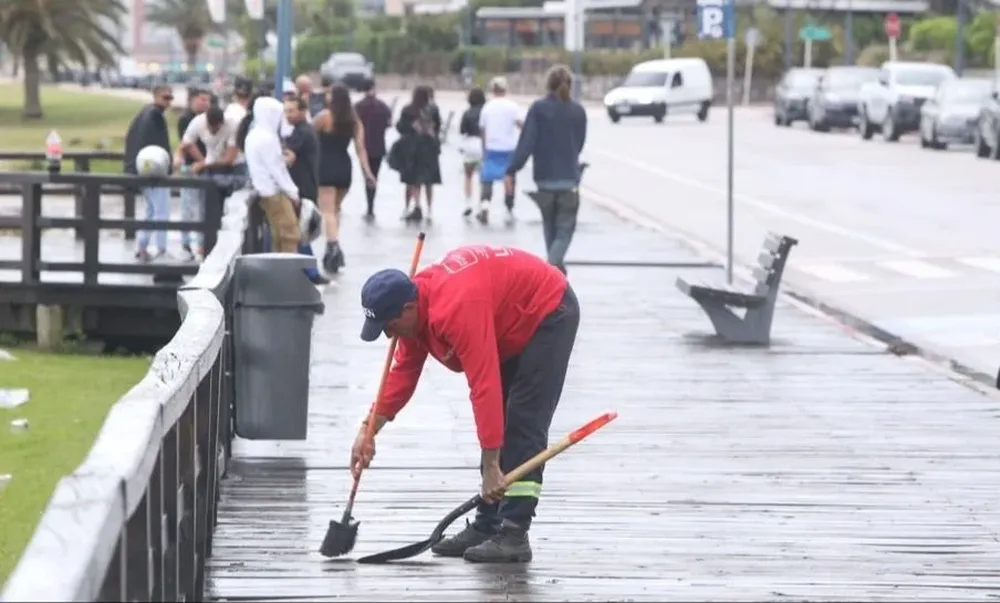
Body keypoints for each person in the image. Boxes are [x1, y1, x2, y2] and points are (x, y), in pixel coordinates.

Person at [349, 244, 581, 564]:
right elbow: (402, 375)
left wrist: (490, 466)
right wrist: (368, 429)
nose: (389, 336)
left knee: (521, 421)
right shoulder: (417, 312)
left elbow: (483, 385)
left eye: (389, 326)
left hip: (547, 311)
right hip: (507, 321)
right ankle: (488, 524)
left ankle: (514, 533)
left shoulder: (456, 309)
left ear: (408, 308)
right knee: (499, 422)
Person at [506, 65, 587, 276]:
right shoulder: (578, 111)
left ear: (548, 85)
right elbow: (579, 143)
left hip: (544, 179)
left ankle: (553, 270)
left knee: (550, 228)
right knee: (564, 230)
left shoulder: (538, 109)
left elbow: (527, 143)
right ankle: (553, 268)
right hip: (569, 179)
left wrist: (512, 169)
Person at [313, 83, 377, 274]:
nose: (326, 97)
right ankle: (332, 244)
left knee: (328, 212)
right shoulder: (355, 122)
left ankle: (333, 246)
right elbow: (361, 150)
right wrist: (368, 173)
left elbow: (309, 138)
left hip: (324, 167)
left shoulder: (324, 117)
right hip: (344, 168)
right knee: (336, 210)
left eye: (329, 94)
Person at [236, 95, 301, 254]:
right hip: (273, 192)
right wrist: (293, 192)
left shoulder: (254, 135)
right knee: (290, 234)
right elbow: (277, 170)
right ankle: (287, 269)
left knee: (278, 234)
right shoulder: (267, 138)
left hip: (263, 189)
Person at [282, 95, 330, 286]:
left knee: (300, 231)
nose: (288, 115)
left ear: (302, 111)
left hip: (302, 188)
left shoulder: (302, 132)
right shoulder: (301, 130)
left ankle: (310, 271)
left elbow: (289, 155)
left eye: (292, 111)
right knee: (300, 231)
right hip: (305, 186)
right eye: (286, 111)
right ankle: (308, 270)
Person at [123, 83, 174, 262]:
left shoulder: (144, 114)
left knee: (151, 211)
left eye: (171, 98)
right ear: (155, 96)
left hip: (142, 170)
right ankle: (161, 249)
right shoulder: (154, 116)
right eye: (165, 97)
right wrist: (165, 169)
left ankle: (142, 246)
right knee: (161, 211)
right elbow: (159, 147)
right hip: (152, 172)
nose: (169, 102)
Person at [477, 76, 523, 226]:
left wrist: (484, 148)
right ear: (505, 89)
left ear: (493, 90)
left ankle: (485, 204)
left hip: (492, 147)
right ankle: (509, 206)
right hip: (508, 148)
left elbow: (483, 130)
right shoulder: (512, 106)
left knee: (487, 178)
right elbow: (520, 124)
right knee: (509, 177)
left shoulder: (487, 107)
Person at [394, 85, 441, 222]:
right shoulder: (433, 110)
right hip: (429, 148)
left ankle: (414, 205)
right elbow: (438, 127)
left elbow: (400, 127)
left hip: (412, 148)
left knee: (412, 180)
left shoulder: (408, 109)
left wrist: (411, 128)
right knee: (429, 181)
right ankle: (429, 209)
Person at [176, 88, 211, 261]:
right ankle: (185, 244)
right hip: (190, 167)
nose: (205, 103)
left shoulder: (208, 119)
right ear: (192, 100)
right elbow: (188, 144)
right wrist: (204, 161)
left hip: (206, 168)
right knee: (188, 207)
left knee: (204, 209)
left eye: (208, 100)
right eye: (202, 99)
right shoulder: (185, 119)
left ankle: (202, 245)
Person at [354, 78, 392, 222]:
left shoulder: (358, 106)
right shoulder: (382, 106)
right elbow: (389, 123)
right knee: (375, 175)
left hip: (363, 146)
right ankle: (371, 206)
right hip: (379, 146)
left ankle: (369, 205)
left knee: (366, 176)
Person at [458, 87, 486, 218]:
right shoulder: (486, 111)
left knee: (468, 176)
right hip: (482, 145)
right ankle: (482, 205)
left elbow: (462, 130)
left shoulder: (467, 113)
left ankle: (468, 203)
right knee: (483, 177)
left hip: (470, 146)